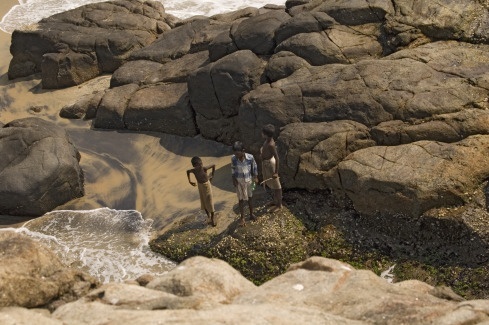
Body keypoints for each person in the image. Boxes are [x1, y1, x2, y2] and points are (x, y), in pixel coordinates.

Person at [231, 141, 258, 226]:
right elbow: (233, 169)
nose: (237, 156)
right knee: (240, 199)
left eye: (238, 154)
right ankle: (242, 217)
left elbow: (254, 167)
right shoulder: (233, 158)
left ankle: (251, 214)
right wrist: (233, 179)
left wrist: (256, 177)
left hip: (248, 180)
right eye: (235, 154)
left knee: (250, 197)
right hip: (239, 181)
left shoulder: (250, 157)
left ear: (243, 151)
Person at [186, 156, 217, 227]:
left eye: (200, 164)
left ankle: (212, 218)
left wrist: (212, 175)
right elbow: (187, 172)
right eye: (197, 165)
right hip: (200, 186)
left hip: (206, 185)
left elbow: (213, 165)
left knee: (210, 201)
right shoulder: (193, 170)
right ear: (194, 166)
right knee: (203, 201)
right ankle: (208, 217)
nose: (200, 166)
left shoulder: (204, 168)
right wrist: (190, 181)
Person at [260, 124, 283, 212]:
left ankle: (279, 205)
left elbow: (277, 157)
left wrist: (276, 172)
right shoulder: (267, 140)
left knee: (277, 186)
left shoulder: (271, 144)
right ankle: (275, 201)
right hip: (266, 163)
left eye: (262, 133)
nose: (261, 134)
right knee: (273, 185)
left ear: (265, 134)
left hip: (271, 165)